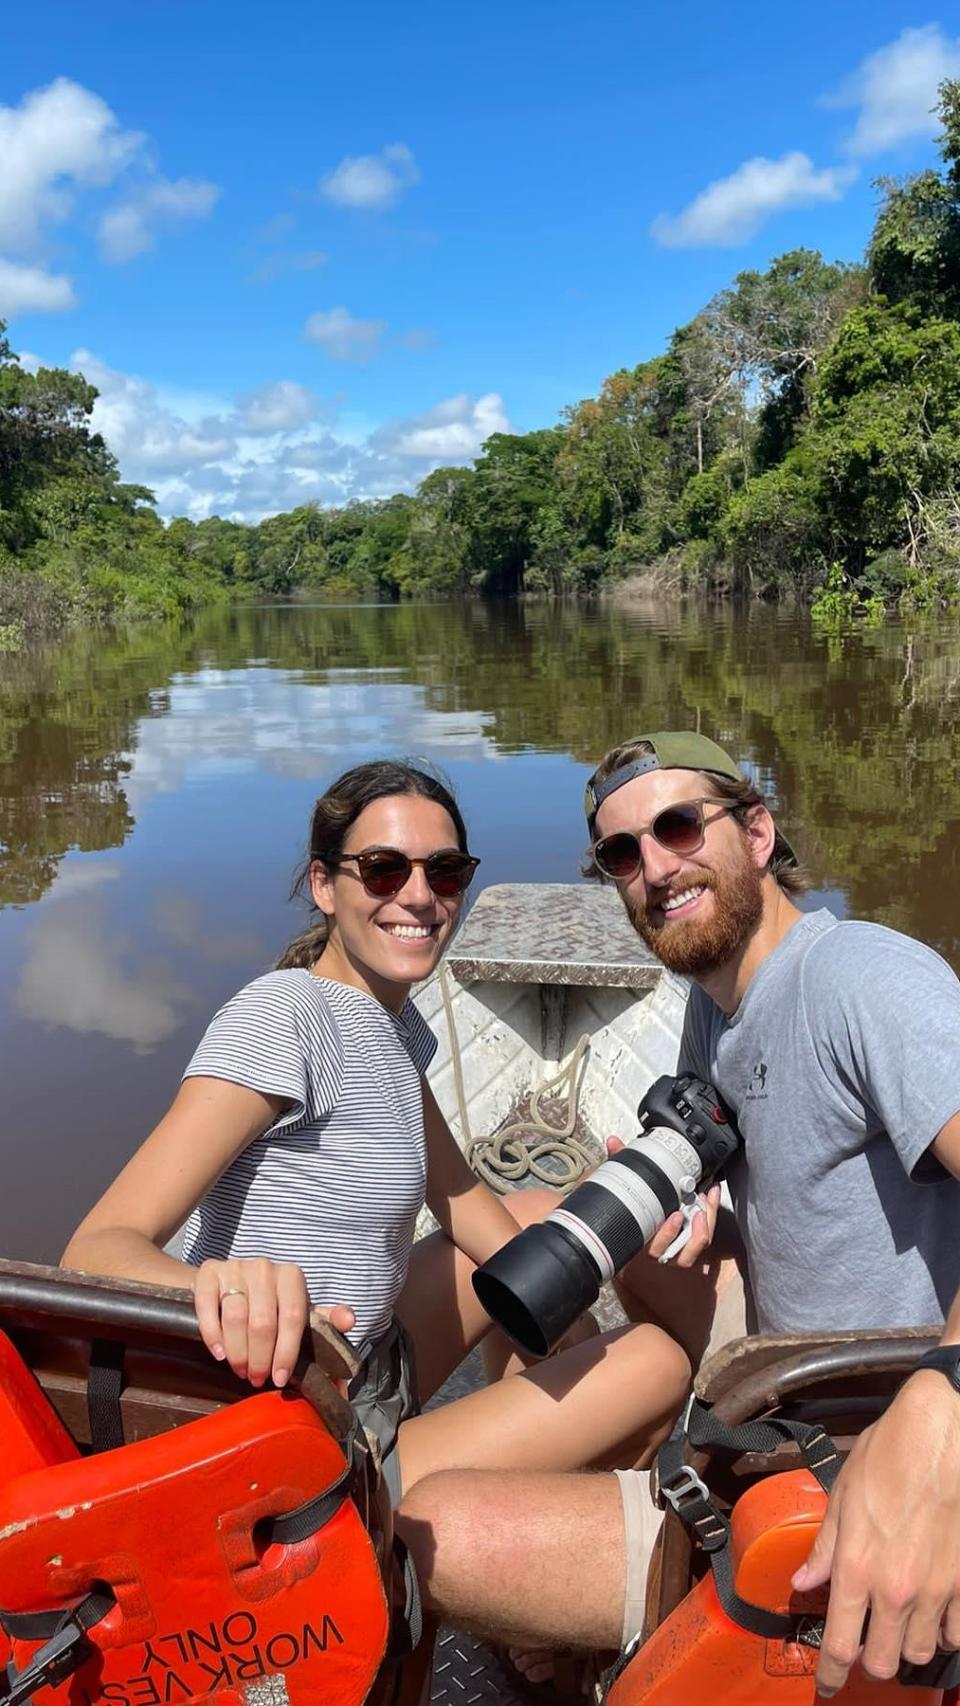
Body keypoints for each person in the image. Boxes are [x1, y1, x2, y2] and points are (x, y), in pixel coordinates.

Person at [63, 757, 689, 1673]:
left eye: (446, 873)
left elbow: (464, 1198)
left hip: (368, 1363)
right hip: (313, 1436)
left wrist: (569, 1321)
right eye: (385, 870)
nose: (420, 897)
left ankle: (519, 1581)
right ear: (325, 885)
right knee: (662, 1356)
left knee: (542, 1210)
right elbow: (97, 1249)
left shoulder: (396, 1027)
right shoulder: (288, 1018)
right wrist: (226, 1289)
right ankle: (525, 1591)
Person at [580, 728, 960, 1699]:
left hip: (862, 1431)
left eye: (676, 827)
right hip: (787, 1397)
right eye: (622, 851)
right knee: (557, 1227)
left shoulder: (864, 978)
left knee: (450, 1530)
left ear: (756, 830)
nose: (654, 867)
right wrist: (712, 1194)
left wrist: (940, 1400)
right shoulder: (719, 998)